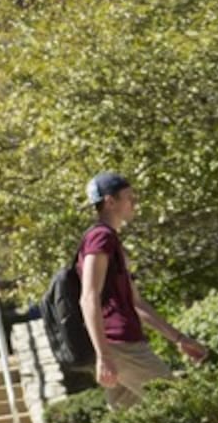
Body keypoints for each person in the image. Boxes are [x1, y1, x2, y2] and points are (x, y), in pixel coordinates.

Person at [80, 171, 208, 410]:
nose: (135, 203)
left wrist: (178, 339)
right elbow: (88, 297)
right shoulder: (100, 238)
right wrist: (104, 355)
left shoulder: (111, 240)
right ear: (110, 202)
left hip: (121, 344)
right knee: (178, 404)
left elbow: (136, 303)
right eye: (130, 198)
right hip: (120, 345)